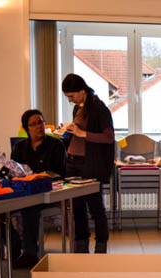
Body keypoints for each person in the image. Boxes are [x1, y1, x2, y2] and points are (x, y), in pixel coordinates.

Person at [61, 73, 115, 253]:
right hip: (73, 162)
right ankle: (81, 244)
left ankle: (101, 245)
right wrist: (67, 131)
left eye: (72, 96)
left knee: (95, 206)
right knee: (77, 207)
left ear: (82, 91)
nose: (70, 100)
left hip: (89, 164)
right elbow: (78, 133)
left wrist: (83, 134)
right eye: (68, 97)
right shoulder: (78, 108)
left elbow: (108, 138)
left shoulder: (99, 109)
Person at [10, 109, 67, 268]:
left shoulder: (56, 145)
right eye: (34, 124)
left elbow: (61, 174)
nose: (39, 127)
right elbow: (13, 172)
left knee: (30, 207)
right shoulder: (20, 147)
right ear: (26, 128)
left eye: (41, 122)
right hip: (24, 192)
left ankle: (30, 253)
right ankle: (14, 243)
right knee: (0, 210)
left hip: (48, 193)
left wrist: (42, 177)